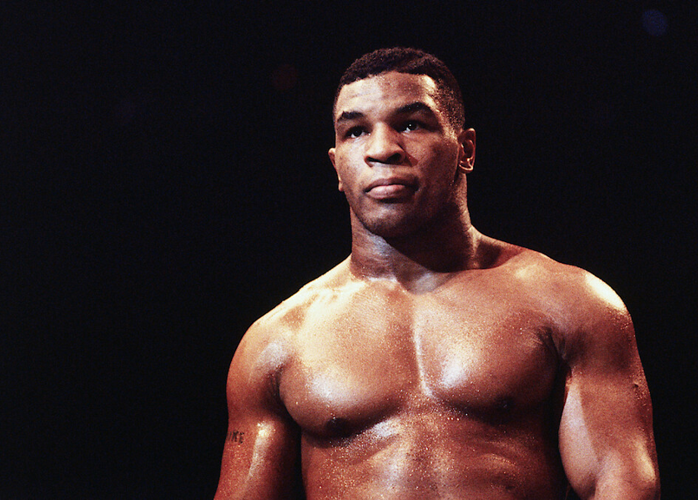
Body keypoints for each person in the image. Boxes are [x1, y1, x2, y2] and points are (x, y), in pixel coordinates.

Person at [214, 47, 659, 499]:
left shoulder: (569, 304)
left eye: (410, 124)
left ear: (465, 150)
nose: (382, 149)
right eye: (355, 131)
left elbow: (623, 483)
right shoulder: (278, 342)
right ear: (337, 167)